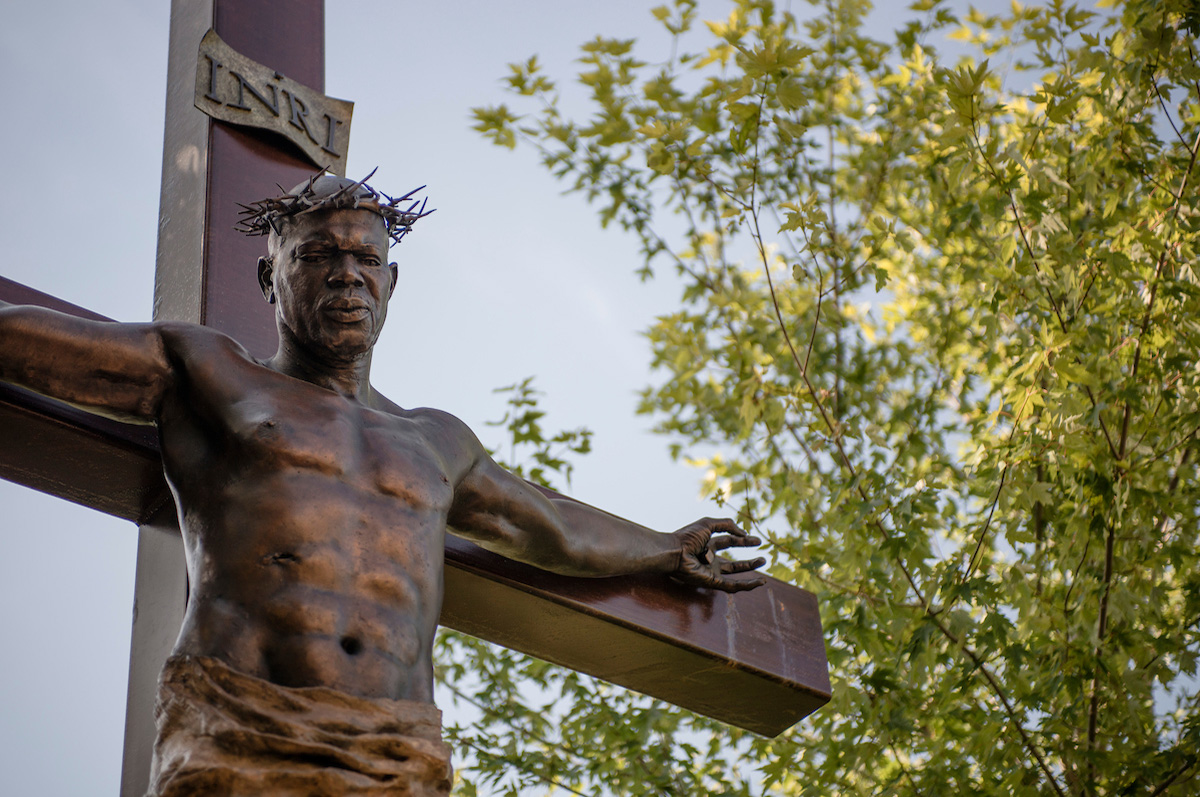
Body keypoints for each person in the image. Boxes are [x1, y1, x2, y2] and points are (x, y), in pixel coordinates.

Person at [0, 173, 766, 796]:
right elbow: (31, 341)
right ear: (272, 276)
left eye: (366, 260)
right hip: (240, 717)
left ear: (391, 281)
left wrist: (667, 546)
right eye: (318, 256)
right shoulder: (209, 373)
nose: (346, 274)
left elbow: (554, 525)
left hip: (396, 749)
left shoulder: (437, 440)